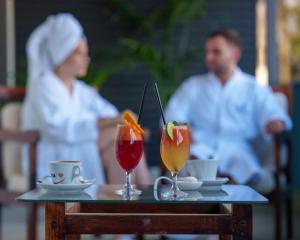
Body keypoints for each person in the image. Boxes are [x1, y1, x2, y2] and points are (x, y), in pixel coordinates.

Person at [22, 13, 150, 185]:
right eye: (79, 53)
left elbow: (109, 112)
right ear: (62, 55)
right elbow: (58, 128)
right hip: (58, 152)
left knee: (123, 138)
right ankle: (138, 203)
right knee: (120, 137)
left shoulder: (81, 90)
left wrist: (124, 119)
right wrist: (110, 121)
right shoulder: (43, 86)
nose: (87, 59)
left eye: (86, 53)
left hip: (85, 143)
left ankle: (133, 203)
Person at [164, 28, 292, 193]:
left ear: (235, 54)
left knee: (243, 168)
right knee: (191, 160)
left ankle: (231, 213)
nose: (209, 57)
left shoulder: (253, 87)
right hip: (200, 148)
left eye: (216, 52)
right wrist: (181, 128)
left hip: (239, 152)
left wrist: (275, 123)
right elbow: (171, 116)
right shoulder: (192, 86)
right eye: (207, 52)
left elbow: (274, 115)